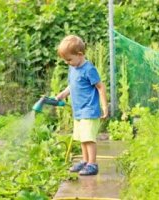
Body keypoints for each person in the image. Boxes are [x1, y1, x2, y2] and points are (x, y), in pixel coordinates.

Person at [55, 35, 108, 176]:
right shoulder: (73, 68)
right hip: (78, 110)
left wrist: (104, 106)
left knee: (88, 138)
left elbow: (100, 87)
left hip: (89, 110)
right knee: (82, 139)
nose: (67, 63)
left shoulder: (88, 69)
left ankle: (92, 164)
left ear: (80, 54)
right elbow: (72, 86)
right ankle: (85, 161)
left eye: (69, 59)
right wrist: (62, 94)